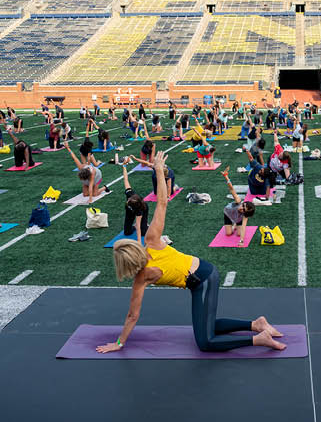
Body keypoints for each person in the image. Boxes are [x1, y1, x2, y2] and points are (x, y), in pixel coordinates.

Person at [99, 152, 286, 355]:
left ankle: (258, 339)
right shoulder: (151, 241)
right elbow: (162, 201)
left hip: (202, 280)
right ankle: (256, 324)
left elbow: (132, 316)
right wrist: (159, 171)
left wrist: (119, 343)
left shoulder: (140, 277)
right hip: (204, 272)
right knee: (208, 325)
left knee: (205, 342)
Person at [221, 167, 256, 246]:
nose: (241, 208)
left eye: (244, 210)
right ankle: (234, 225)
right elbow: (232, 189)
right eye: (243, 206)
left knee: (239, 233)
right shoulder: (238, 201)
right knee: (228, 233)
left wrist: (241, 241)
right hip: (228, 214)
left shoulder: (245, 215)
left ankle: (236, 224)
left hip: (237, 217)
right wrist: (226, 176)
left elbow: (244, 227)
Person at [121, 164, 148, 242]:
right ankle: (134, 226)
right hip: (130, 211)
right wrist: (124, 166)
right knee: (127, 232)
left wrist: (139, 242)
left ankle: (147, 225)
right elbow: (126, 179)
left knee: (143, 232)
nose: (127, 200)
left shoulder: (139, 210)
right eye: (128, 199)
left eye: (129, 201)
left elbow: (138, 226)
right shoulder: (130, 194)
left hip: (142, 210)